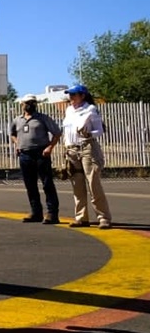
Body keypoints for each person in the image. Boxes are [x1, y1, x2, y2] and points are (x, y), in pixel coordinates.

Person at [61, 84, 112, 229]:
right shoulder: (69, 110)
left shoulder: (90, 109)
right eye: (70, 94)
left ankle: (103, 217)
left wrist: (90, 134)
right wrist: (65, 147)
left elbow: (100, 129)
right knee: (77, 185)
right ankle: (81, 217)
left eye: (74, 94)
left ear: (82, 96)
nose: (70, 97)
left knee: (93, 183)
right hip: (72, 149)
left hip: (87, 147)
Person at [9, 94, 61, 224]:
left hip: (41, 153)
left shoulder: (42, 118)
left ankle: (52, 213)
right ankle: (36, 212)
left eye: (33, 102)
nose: (30, 105)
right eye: (27, 102)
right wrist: (18, 144)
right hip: (25, 155)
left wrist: (50, 147)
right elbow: (12, 134)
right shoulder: (17, 120)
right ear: (22, 104)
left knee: (47, 183)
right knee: (30, 185)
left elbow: (57, 133)